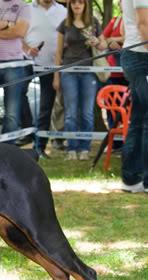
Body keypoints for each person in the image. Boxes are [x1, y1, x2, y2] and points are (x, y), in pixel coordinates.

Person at [53, 0, 107, 161]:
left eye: (80, 2)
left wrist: (97, 42)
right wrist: (56, 76)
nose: (77, 5)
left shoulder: (94, 22)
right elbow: (58, 52)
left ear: (85, 5)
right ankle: (72, 148)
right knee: (70, 113)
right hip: (68, 72)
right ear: (70, 6)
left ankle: (84, 148)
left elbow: (104, 45)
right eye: (74, 3)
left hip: (89, 73)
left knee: (87, 113)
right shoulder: (65, 24)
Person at [23, 0, 67, 158]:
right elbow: (18, 35)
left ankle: (39, 147)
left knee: (46, 107)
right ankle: (26, 132)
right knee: (18, 96)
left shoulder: (62, 10)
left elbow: (67, 36)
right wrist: (27, 48)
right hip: (26, 62)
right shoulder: (26, 8)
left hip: (51, 66)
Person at [0, 0, 31, 138]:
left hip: (14, 64)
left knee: (12, 112)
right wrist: (7, 27)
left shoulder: (23, 6)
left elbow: (20, 31)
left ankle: (8, 148)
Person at [119, 0, 148, 193]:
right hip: (141, 56)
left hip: (136, 53)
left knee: (139, 119)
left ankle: (131, 179)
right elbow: (143, 23)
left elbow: (125, 27)